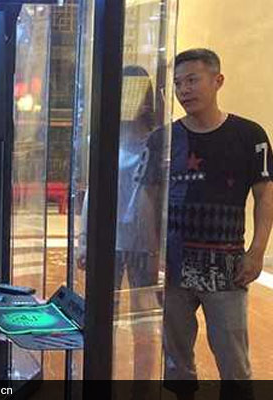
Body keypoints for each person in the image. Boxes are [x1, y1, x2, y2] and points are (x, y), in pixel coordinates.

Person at [144, 49, 273, 396]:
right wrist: (152, 254)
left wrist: (256, 251)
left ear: (218, 81)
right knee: (176, 360)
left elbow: (264, 196)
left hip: (228, 267)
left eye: (192, 80)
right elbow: (149, 201)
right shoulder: (162, 140)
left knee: (234, 361)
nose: (184, 89)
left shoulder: (250, 136)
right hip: (173, 266)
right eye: (177, 83)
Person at [78, 66, 162, 384]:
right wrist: (84, 240)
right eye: (123, 90)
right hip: (107, 240)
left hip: (144, 243)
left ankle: (141, 388)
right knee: (103, 319)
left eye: (136, 90)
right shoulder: (102, 138)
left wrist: (159, 246)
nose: (129, 98)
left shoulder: (157, 141)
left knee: (144, 321)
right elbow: (92, 193)